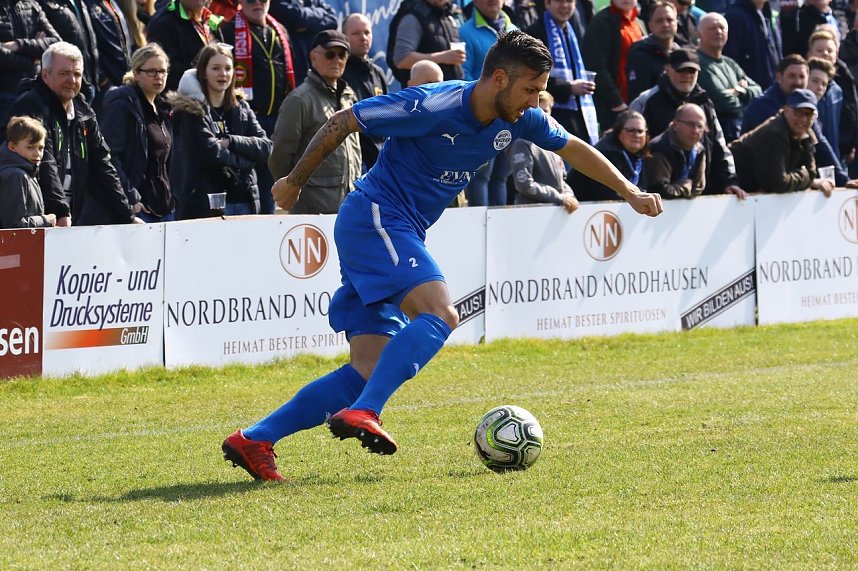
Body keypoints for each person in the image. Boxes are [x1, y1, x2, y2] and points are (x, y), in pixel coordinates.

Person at [221, 30, 664, 481]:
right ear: (498, 78)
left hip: (396, 227)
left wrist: (627, 191)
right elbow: (342, 121)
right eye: (530, 89)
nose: (535, 100)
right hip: (375, 216)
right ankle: (365, 412)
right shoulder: (432, 105)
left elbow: (571, 146)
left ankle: (255, 438)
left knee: (367, 367)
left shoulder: (519, 117)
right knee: (441, 314)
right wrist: (293, 181)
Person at [9, 41, 139, 225]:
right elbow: (45, 162)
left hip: (69, 217)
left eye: (77, 74)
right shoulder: (30, 105)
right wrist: (60, 212)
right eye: (64, 73)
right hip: (39, 220)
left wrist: (126, 216)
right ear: (45, 75)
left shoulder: (83, 110)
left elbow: (103, 165)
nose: (72, 80)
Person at [170, 43, 272, 218]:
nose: (223, 74)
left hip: (245, 199)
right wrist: (248, 161)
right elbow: (211, 153)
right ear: (203, 72)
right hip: (205, 203)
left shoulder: (242, 107)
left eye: (227, 68)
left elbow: (266, 148)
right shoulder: (191, 110)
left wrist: (231, 141)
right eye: (215, 68)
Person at [630, 48, 748, 198]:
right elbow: (630, 147)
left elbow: (719, 145)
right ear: (667, 69)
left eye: (692, 71)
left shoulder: (706, 103)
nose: (687, 76)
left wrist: (729, 181)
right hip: (654, 197)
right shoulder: (646, 102)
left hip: (699, 197)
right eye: (681, 70)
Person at [269, 30, 361, 214]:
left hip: (347, 207)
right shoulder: (299, 99)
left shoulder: (349, 98)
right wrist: (292, 191)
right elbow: (279, 156)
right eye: (330, 53)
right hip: (311, 210)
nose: (336, 59)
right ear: (313, 56)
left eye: (342, 54)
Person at [219, 0, 295, 214]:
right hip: (247, 119)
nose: (257, 3)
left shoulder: (278, 30)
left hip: (278, 119)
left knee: (273, 181)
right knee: (255, 183)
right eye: (251, 0)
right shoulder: (229, 30)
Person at [101, 43, 175, 223]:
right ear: (136, 74)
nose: (158, 77)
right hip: (137, 210)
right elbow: (109, 157)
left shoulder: (162, 109)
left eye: (163, 71)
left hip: (164, 208)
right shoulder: (122, 105)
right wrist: (131, 197)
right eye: (151, 71)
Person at [462, 0, 519, 206]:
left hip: (510, 115)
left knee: (501, 176)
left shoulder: (514, 30)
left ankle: (498, 232)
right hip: (483, 117)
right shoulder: (465, 31)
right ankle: (480, 231)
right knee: (481, 176)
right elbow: (465, 76)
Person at [730, 88, 835, 195]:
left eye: (809, 114)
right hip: (730, 184)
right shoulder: (775, 132)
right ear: (786, 110)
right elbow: (779, 184)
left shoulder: (807, 134)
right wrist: (805, 177)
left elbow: (811, 173)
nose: (803, 119)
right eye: (798, 113)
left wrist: (807, 179)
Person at [525, 0, 599, 144]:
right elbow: (531, 77)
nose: (564, 6)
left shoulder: (573, 29)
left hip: (578, 113)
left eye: (569, 1)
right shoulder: (535, 32)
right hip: (551, 112)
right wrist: (569, 87)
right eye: (559, 1)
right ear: (547, 3)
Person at [695, 12, 763, 142]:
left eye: (722, 28)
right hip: (716, 134)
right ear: (699, 33)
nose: (718, 32)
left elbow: (758, 91)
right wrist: (745, 99)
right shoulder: (698, 63)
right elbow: (723, 101)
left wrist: (739, 92)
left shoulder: (730, 63)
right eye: (712, 28)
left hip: (739, 132)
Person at [508, 91, 579, 209]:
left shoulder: (554, 143)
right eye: (537, 112)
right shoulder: (521, 143)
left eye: (545, 111)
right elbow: (524, 184)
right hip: (530, 211)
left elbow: (563, 179)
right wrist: (559, 198)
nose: (540, 117)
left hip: (556, 211)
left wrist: (569, 195)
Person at [582, 0, 646, 129]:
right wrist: (616, 102)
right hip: (614, 108)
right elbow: (596, 65)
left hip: (636, 104)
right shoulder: (601, 22)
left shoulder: (639, 23)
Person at [0, 1, 60, 139]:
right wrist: (33, 60)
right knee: (10, 152)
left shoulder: (31, 5)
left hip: (37, 93)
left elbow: (55, 42)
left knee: (41, 150)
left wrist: (18, 45)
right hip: (5, 97)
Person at [568, 109, 650, 200]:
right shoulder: (607, 152)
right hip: (582, 207)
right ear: (618, 131)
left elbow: (643, 187)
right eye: (631, 130)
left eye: (640, 131)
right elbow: (607, 194)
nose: (636, 135)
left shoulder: (638, 155)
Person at [341, 13, 388, 170]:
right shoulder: (340, 74)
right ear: (344, 37)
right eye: (356, 33)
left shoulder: (378, 73)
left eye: (367, 32)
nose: (363, 37)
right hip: (355, 161)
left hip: (381, 160)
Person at [146, 0, 223, 91]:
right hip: (180, 100)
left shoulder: (210, 20)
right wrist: (202, 63)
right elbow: (164, 72)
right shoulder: (162, 23)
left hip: (214, 98)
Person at [389, 0, 466, 85]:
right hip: (424, 95)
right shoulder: (413, 16)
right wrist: (443, 57)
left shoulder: (448, 12)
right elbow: (402, 59)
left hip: (450, 91)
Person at [39, 0, 102, 103]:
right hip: (64, 85)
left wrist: (99, 73)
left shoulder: (80, 2)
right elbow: (46, 40)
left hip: (88, 79)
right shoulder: (43, 3)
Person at [0, 116, 56, 228]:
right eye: (30, 147)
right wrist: (45, 220)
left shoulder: (28, 172)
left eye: (41, 148)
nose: (37, 154)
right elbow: (14, 225)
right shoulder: (15, 176)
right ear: (12, 146)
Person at [645, 103, 708, 198]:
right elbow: (659, 190)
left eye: (700, 126)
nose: (695, 130)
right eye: (690, 124)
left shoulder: (699, 149)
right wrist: (685, 187)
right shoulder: (660, 147)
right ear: (675, 125)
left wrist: (681, 188)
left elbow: (698, 187)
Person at [268, 0, 337, 85]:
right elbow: (298, 18)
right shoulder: (278, 2)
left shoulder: (315, 1)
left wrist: (308, 27)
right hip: (292, 70)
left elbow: (333, 20)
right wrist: (321, 12)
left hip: (315, 71)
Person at [626, 1, 679, 102]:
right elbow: (638, 99)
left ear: (676, 23)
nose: (665, 24)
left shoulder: (680, 54)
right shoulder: (640, 55)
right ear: (650, 26)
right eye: (659, 21)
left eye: (670, 20)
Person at [723, 0, 782, 90]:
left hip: (772, 90)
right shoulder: (735, 17)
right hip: (751, 92)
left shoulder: (769, 14)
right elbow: (730, 58)